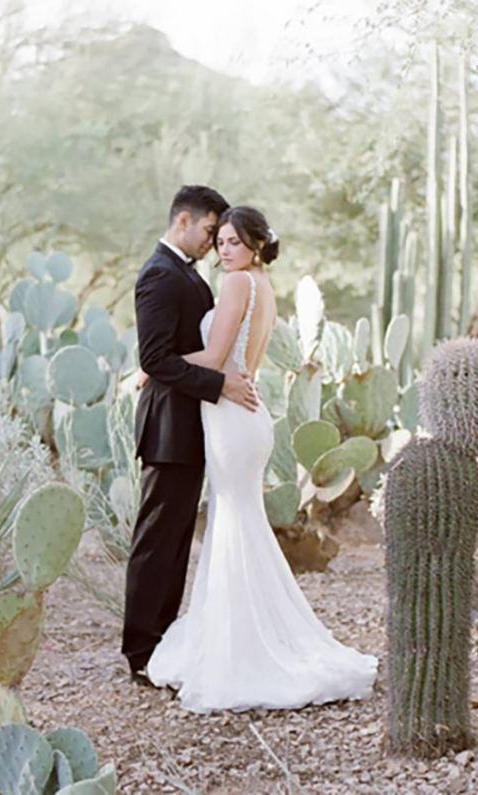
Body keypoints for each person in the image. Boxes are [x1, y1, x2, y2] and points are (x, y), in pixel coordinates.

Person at [144, 205, 378, 713]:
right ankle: (247, 635)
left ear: (254, 244)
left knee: (233, 523)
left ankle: (240, 652)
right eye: (220, 241)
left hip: (231, 418)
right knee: (240, 523)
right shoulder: (263, 286)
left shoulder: (236, 286)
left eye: (232, 241)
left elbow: (213, 358)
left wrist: (152, 368)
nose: (223, 250)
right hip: (242, 414)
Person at [121, 186, 258, 683]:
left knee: (177, 539)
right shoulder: (159, 275)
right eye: (208, 231)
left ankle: (160, 641)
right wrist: (219, 383)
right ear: (184, 220)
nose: (211, 242)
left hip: (191, 426)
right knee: (157, 539)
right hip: (167, 427)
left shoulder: (186, 274)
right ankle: (140, 650)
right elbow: (154, 360)